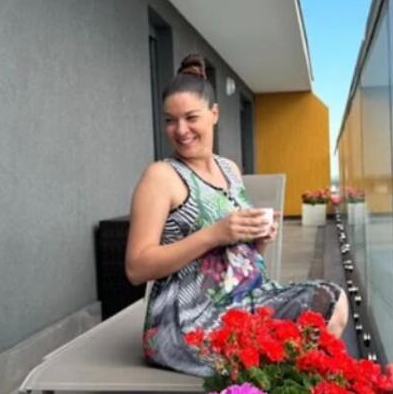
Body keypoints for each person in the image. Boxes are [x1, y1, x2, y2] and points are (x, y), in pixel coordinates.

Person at [125, 53, 348, 377]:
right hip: (189, 320)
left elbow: (233, 255)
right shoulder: (161, 176)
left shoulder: (230, 169)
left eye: (191, 117)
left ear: (214, 114)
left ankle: (287, 380)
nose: (180, 130)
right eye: (170, 120)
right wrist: (215, 234)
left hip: (245, 299)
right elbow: (136, 267)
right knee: (325, 310)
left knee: (330, 301)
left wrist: (258, 240)